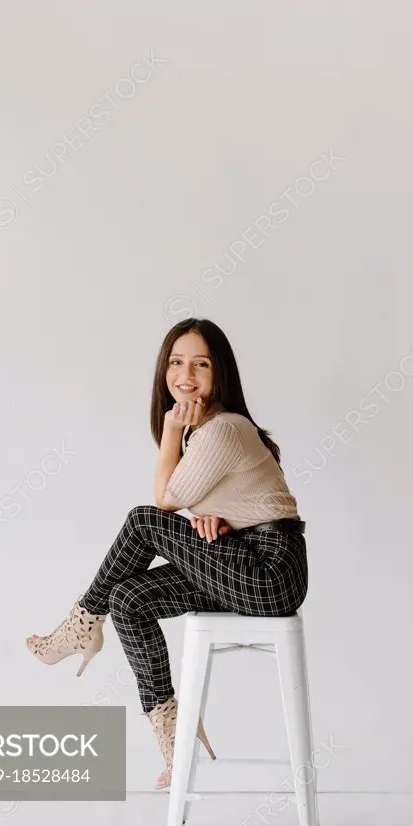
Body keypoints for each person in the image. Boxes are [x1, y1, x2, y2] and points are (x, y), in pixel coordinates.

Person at [25, 318, 308, 789]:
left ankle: (81, 625)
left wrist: (172, 432)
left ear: (221, 374)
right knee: (130, 599)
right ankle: (176, 741)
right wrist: (217, 520)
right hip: (243, 559)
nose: (186, 376)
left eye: (201, 364)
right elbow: (231, 501)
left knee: (143, 521)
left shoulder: (222, 429)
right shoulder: (209, 434)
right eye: (176, 363)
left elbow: (166, 500)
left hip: (271, 569)